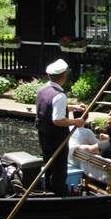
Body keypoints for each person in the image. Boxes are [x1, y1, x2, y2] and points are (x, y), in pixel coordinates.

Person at [35, 58, 86, 196]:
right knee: (59, 167)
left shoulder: (42, 90)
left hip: (43, 135)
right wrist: (75, 122)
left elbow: (50, 109)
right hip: (56, 137)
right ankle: (59, 193)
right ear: (63, 76)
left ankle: (48, 189)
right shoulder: (60, 95)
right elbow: (57, 119)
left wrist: (73, 107)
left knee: (48, 163)